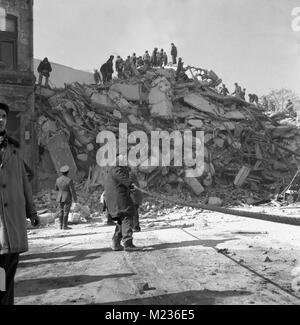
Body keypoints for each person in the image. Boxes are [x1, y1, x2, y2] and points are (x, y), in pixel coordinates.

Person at [0, 102, 40, 305]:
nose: (0, 119)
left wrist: (32, 211)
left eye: (3, 116)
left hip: (13, 222)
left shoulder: (14, 149)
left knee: (8, 272)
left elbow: (25, 182)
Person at [104, 156, 140, 252]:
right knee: (127, 216)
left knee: (122, 219)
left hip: (116, 199)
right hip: (119, 199)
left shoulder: (112, 169)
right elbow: (124, 180)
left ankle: (116, 242)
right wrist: (131, 185)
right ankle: (128, 243)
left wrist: (131, 186)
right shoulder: (116, 169)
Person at [55, 165, 78, 230]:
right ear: (67, 172)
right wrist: (75, 199)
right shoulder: (69, 180)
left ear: (61, 172)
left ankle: (60, 225)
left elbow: (56, 188)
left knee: (61, 211)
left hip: (60, 196)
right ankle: (65, 226)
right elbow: (72, 190)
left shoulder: (57, 180)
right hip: (67, 196)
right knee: (66, 211)